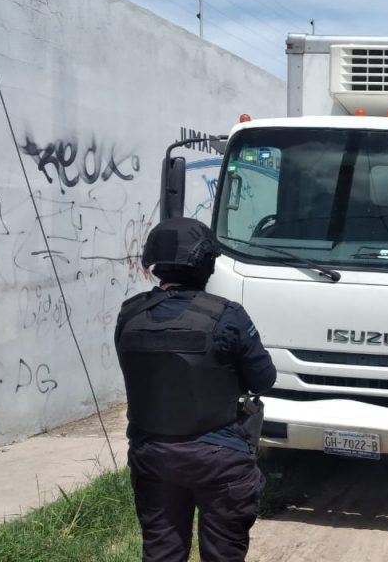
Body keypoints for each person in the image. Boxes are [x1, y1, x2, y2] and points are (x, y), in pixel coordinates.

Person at [115, 217, 277, 562]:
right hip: (220, 457)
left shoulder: (129, 314)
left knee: (161, 553)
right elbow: (264, 379)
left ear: (154, 263)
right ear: (207, 265)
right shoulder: (228, 316)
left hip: (153, 456)